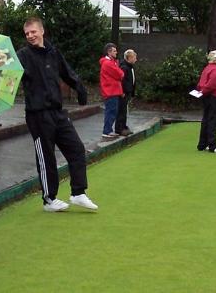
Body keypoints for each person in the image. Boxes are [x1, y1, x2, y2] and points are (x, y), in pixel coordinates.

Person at [17, 17, 98, 212]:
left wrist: (80, 89)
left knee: (77, 149)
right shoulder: (22, 56)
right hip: (37, 115)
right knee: (46, 157)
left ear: (42, 31)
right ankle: (49, 200)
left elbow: (67, 72)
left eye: (33, 32)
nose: (30, 36)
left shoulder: (53, 52)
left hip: (57, 112)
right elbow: (11, 77)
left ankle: (78, 193)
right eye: (27, 34)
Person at [196, 49, 216, 154]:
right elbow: (212, 84)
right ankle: (213, 145)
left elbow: (201, 84)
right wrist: (204, 91)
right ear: (215, 59)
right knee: (213, 121)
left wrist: (201, 91)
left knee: (206, 120)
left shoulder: (207, 68)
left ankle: (203, 144)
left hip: (208, 97)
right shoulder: (215, 70)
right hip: (214, 97)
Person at [99, 43, 124, 139]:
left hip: (112, 90)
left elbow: (119, 73)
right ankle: (107, 131)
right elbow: (120, 74)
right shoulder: (108, 63)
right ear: (109, 52)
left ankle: (108, 130)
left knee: (112, 111)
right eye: (114, 51)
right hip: (110, 91)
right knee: (111, 111)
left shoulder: (110, 62)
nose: (116, 52)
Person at [115, 49, 137, 136]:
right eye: (134, 57)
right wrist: (122, 91)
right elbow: (121, 81)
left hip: (127, 92)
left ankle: (123, 127)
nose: (136, 59)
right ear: (129, 58)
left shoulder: (129, 66)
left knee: (124, 111)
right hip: (123, 93)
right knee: (121, 111)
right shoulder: (124, 67)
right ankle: (119, 129)